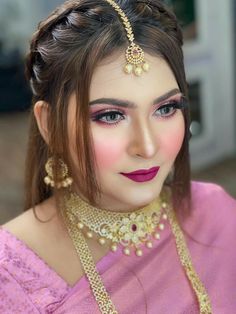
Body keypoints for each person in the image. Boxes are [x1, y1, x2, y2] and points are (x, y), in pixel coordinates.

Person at [0, 0, 235, 313]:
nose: (148, 146)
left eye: (165, 109)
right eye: (111, 116)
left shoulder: (217, 214)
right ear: (49, 125)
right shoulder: (11, 278)